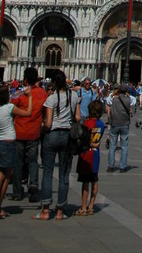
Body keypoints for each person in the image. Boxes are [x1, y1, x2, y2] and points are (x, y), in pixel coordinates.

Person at [35, 69, 80, 221]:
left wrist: (42, 128)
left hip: (52, 136)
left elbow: (48, 123)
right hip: (67, 136)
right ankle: (60, 211)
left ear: (53, 83)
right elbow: (78, 117)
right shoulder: (73, 96)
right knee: (64, 174)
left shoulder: (51, 99)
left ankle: (46, 211)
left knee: (47, 173)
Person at [0, 82, 33, 220]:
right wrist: (29, 97)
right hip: (8, 145)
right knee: (5, 178)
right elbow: (28, 113)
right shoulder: (9, 108)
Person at [12, 66, 48, 203]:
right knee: (33, 161)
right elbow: (45, 110)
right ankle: (33, 184)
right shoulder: (43, 93)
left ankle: (17, 191)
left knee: (18, 162)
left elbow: (10, 109)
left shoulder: (18, 94)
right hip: (34, 133)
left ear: (25, 80)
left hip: (19, 132)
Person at [74, 98, 105, 215]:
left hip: (86, 154)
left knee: (85, 182)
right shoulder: (101, 124)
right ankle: (91, 205)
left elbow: (83, 139)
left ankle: (83, 207)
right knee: (94, 180)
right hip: (96, 153)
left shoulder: (86, 123)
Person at [107, 84, 133, 172]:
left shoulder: (113, 100)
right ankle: (122, 167)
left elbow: (107, 101)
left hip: (114, 124)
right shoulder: (128, 100)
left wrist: (113, 94)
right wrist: (128, 94)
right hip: (124, 124)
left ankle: (111, 166)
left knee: (112, 146)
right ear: (126, 91)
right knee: (124, 146)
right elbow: (134, 101)